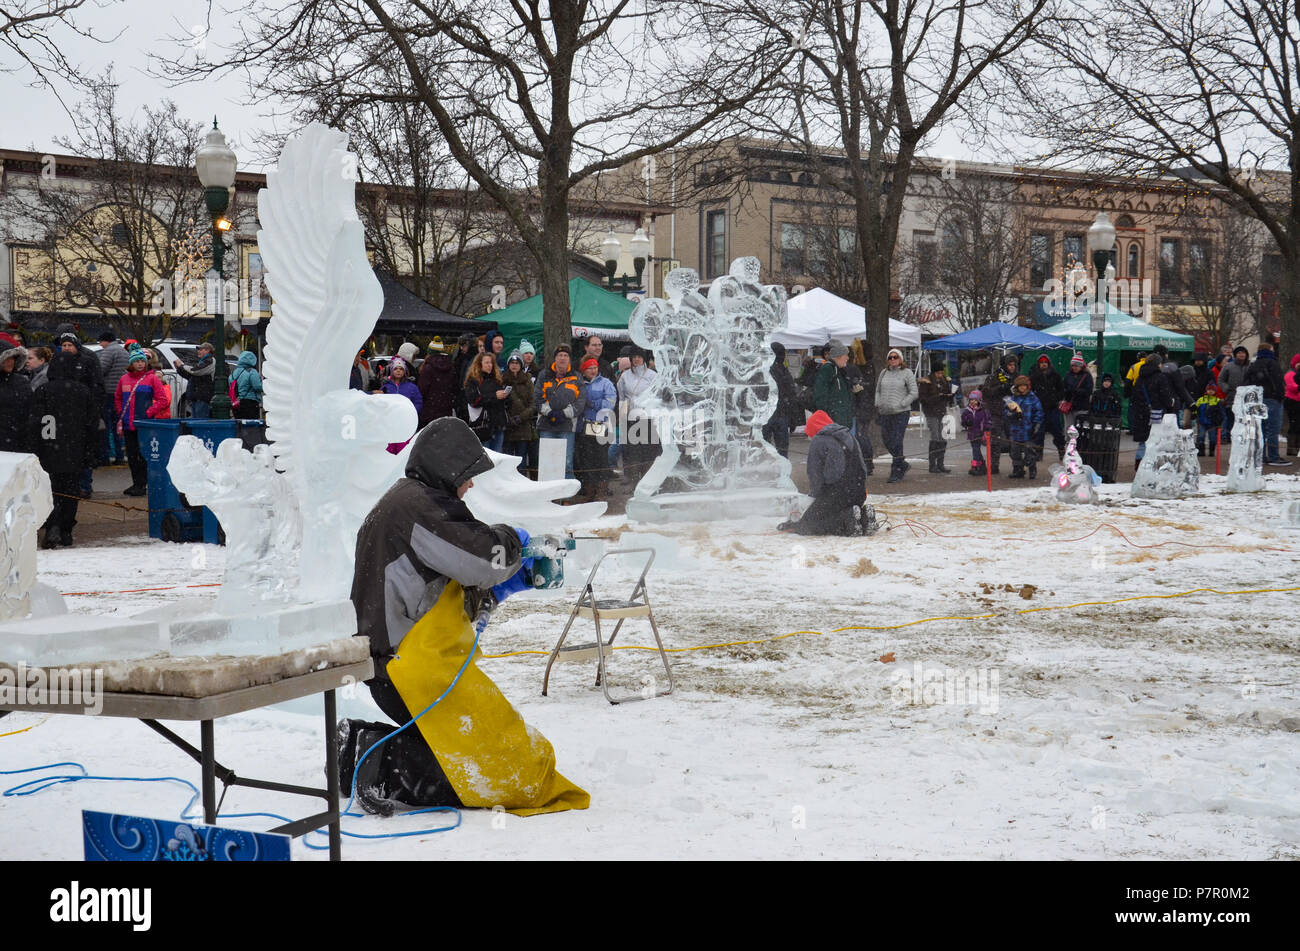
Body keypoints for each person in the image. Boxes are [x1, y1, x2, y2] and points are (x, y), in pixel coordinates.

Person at [341, 416, 588, 817]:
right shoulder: (417, 507)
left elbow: (433, 595)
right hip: (408, 672)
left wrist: (498, 590)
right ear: (447, 465)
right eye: (468, 474)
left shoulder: (405, 502)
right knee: (498, 770)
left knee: (477, 745)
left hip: (398, 666)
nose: (470, 484)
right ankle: (380, 761)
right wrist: (513, 543)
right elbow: (481, 559)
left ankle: (363, 749)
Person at [28, 352, 98, 548]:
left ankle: (51, 526)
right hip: (74, 452)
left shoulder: (43, 391)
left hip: (48, 451)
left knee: (49, 492)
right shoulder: (83, 392)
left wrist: (34, 449)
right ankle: (66, 529)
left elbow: (34, 423)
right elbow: (92, 425)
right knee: (70, 493)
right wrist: (90, 452)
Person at [778, 410, 867, 536]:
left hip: (837, 493)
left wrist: (815, 497)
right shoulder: (849, 436)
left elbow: (815, 475)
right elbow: (863, 468)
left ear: (814, 429)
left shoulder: (819, 440)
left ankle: (847, 519)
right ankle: (864, 518)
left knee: (808, 525)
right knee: (834, 510)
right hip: (859, 492)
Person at [114, 345, 170, 496]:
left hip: (144, 425)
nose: (140, 364)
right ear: (131, 363)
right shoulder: (124, 379)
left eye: (142, 361)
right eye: (137, 361)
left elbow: (162, 400)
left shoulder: (152, 379)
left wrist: (148, 412)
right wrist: (121, 412)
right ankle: (136, 483)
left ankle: (143, 484)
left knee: (143, 455)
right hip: (128, 424)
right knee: (132, 456)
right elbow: (118, 397)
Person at [534, 345, 585, 480]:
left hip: (567, 426)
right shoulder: (544, 375)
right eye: (560, 355)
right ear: (555, 358)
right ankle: (547, 495)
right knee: (547, 462)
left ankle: (567, 498)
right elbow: (538, 398)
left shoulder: (577, 377)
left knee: (567, 462)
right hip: (546, 424)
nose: (562, 358)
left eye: (565, 356)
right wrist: (549, 412)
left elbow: (580, 401)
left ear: (569, 359)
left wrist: (564, 413)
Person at [574, 356, 616, 499]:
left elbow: (610, 403)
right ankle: (589, 491)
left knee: (601, 459)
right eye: (589, 368)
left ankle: (601, 491)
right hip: (583, 427)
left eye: (595, 367)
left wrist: (592, 403)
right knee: (586, 461)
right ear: (583, 370)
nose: (593, 370)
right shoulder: (579, 384)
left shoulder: (606, 383)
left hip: (601, 426)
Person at [1246, 336, 1291, 465]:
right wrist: (1280, 396)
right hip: (1272, 399)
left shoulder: (1253, 365)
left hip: (1257, 400)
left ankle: (1260, 455)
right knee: (1273, 429)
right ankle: (1273, 456)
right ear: (1269, 350)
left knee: (1261, 429)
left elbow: (1246, 381)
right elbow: (1278, 382)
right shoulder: (1273, 363)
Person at [875, 348, 917, 483]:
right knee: (887, 440)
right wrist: (878, 403)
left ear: (900, 359)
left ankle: (896, 470)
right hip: (885, 412)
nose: (893, 360)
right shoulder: (884, 372)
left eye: (895, 357)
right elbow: (878, 390)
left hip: (900, 413)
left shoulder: (907, 373)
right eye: (890, 357)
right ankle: (902, 463)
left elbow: (914, 392)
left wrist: (903, 403)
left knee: (897, 440)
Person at [617, 345, 659, 482]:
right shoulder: (625, 376)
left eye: (639, 357)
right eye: (634, 357)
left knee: (648, 452)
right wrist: (622, 417)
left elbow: (658, 397)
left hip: (648, 419)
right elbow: (622, 397)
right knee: (633, 452)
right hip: (631, 419)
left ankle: (648, 481)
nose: (636, 359)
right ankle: (634, 481)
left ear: (644, 358)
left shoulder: (653, 376)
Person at [1128, 351, 1174, 464]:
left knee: (1143, 441)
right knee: (1156, 440)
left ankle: (1139, 464)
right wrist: (1169, 404)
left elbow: (1135, 395)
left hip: (1141, 413)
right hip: (1155, 412)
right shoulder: (1160, 377)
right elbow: (1165, 395)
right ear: (1157, 364)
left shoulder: (1140, 378)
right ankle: (1152, 465)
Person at [982, 352, 1021, 474]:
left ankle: (1017, 466)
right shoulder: (994, 376)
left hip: (1012, 412)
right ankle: (994, 466)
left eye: (1014, 365)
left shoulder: (1017, 378)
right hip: (996, 411)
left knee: (1014, 440)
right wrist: (1001, 388)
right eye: (1010, 365)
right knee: (995, 439)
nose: (1012, 367)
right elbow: (986, 392)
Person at [96, 330, 130, 464]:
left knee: (106, 426)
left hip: (109, 392)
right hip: (121, 392)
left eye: (100, 342)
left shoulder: (109, 351)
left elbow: (102, 369)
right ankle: (120, 455)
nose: (100, 344)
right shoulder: (123, 351)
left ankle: (105, 456)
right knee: (119, 426)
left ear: (106, 340)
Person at [463, 351, 509, 452]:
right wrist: (494, 396)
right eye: (487, 363)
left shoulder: (497, 380)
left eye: (491, 363)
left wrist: (505, 396)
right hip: (483, 426)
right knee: (485, 459)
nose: (490, 365)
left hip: (498, 424)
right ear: (479, 365)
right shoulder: (472, 381)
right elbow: (474, 401)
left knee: (498, 459)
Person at [501, 353, 537, 475]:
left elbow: (533, 404)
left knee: (521, 464)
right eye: (512, 363)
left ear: (521, 365)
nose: (514, 365)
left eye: (517, 363)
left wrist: (521, 418)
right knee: (507, 462)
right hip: (508, 427)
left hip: (524, 426)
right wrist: (508, 418)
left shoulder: (528, 380)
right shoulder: (502, 379)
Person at [1002, 375, 1043, 479]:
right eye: (1020, 386)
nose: (1023, 388)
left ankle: (1032, 469)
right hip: (1015, 430)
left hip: (1028, 429)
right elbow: (1005, 412)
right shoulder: (1012, 399)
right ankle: (1018, 469)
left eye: (1024, 386)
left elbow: (1039, 412)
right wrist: (1012, 414)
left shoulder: (1033, 398)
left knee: (1029, 451)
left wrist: (1036, 425)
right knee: (1015, 452)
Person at [762, 342, 799, 458]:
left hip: (769, 414)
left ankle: (768, 471)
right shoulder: (781, 370)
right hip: (778, 414)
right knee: (781, 451)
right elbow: (791, 395)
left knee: (765, 450)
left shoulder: (763, 369)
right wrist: (793, 418)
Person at [918, 362, 955, 474]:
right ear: (934, 372)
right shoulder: (926, 382)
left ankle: (940, 464)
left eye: (941, 372)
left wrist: (950, 395)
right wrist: (937, 397)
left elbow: (947, 394)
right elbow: (922, 399)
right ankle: (932, 465)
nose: (940, 374)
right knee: (935, 436)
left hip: (942, 411)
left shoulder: (945, 380)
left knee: (943, 438)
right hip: (931, 412)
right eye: (938, 373)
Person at [381, 355, 423, 453]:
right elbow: (381, 404)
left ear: (404, 371)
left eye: (401, 369)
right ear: (392, 371)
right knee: (390, 445)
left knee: (404, 446)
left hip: (406, 422)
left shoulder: (412, 387)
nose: (398, 371)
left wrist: (411, 413)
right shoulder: (386, 387)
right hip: (390, 422)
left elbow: (418, 402)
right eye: (396, 368)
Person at [1029, 354, 1065, 460]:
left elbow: (1061, 390)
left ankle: (1061, 450)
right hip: (1039, 409)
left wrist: (1055, 399)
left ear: (1048, 364)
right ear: (1038, 364)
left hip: (1052, 408)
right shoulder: (1034, 377)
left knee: (1057, 431)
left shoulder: (1055, 376)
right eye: (1041, 363)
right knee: (1039, 432)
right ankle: (1038, 454)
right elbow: (1030, 391)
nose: (1043, 364)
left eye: (1045, 362)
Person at [0, 333, 31, 453]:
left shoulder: (21, 381)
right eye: (7, 358)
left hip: (17, 440)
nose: (10, 362)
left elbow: (29, 411)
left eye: (13, 358)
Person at [416, 337, 456, 426]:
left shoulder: (427, 368)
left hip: (429, 411)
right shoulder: (451, 367)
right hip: (446, 410)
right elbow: (454, 388)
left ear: (429, 352)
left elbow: (422, 390)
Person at [814, 342, 855, 430]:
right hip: (834, 420)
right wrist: (828, 415)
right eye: (846, 355)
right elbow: (820, 394)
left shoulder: (840, 370)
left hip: (841, 419)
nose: (847, 358)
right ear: (838, 356)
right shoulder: (828, 369)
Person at [174, 341, 216, 418]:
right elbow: (191, 376)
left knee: (200, 422)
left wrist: (182, 366)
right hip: (196, 397)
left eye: (200, 349)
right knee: (196, 422)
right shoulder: (202, 361)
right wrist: (179, 369)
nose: (198, 351)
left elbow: (196, 371)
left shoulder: (210, 360)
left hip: (202, 398)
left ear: (207, 350)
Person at [1216, 345, 1250, 443]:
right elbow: (1220, 379)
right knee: (1230, 418)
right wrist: (1226, 388)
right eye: (1239, 353)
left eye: (1243, 352)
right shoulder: (1228, 366)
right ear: (1235, 355)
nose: (1241, 354)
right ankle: (1226, 436)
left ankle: (1241, 436)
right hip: (1232, 397)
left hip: (1247, 398)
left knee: (1244, 419)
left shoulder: (1251, 366)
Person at [1060, 351, 1094, 435]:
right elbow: (1063, 388)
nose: (1074, 367)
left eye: (1076, 365)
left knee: (1080, 428)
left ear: (1081, 366)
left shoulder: (1087, 376)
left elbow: (1089, 391)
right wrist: (1066, 392)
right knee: (1068, 427)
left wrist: (1075, 390)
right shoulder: (1068, 375)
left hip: (1081, 407)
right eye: (1073, 365)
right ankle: (1068, 444)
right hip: (1070, 406)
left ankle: (1080, 445)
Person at [961, 389, 993, 476]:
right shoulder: (967, 410)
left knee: (976, 450)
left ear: (979, 400)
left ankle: (977, 466)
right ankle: (980, 466)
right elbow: (963, 420)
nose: (973, 402)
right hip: (972, 434)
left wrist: (986, 429)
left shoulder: (983, 410)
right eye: (971, 400)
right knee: (976, 450)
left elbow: (988, 421)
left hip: (981, 433)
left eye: (975, 400)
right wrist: (966, 422)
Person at [230, 350, 264, 420]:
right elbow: (257, 387)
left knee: (240, 426)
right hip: (250, 403)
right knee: (251, 427)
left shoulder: (233, 373)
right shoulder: (251, 371)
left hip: (236, 403)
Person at [1193, 382, 1224, 456]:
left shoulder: (1217, 400)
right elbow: (1195, 408)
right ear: (1206, 390)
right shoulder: (1201, 399)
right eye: (1209, 390)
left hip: (1212, 423)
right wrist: (1194, 414)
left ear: (1215, 391)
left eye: (1212, 390)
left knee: (1212, 438)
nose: (1210, 391)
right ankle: (1201, 451)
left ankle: (1212, 451)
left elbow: (1221, 413)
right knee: (1201, 437)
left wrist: (1219, 422)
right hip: (1202, 422)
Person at [1285, 353, 1300, 457]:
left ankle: (1297, 447)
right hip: (1292, 401)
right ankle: (1291, 448)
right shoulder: (1290, 374)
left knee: (1298, 425)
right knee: (1294, 424)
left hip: (1297, 401)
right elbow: (1292, 387)